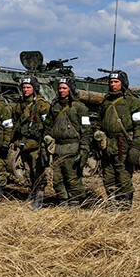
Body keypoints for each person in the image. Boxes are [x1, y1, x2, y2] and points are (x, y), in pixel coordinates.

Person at [95, 70, 140, 211]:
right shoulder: (106, 101)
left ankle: (125, 207)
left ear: (123, 83)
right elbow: (99, 122)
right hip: (108, 144)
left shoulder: (133, 102)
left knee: (123, 176)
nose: (113, 85)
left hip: (123, 144)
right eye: (111, 82)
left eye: (116, 82)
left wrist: (136, 147)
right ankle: (112, 204)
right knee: (108, 177)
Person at [43, 76, 91, 208]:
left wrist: (84, 150)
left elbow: (86, 131)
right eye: (59, 88)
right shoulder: (55, 106)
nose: (61, 91)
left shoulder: (80, 108)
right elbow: (48, 124)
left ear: (71, 89)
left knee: (73, 178)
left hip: (72, 148)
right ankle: (62, 200)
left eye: (64, 88)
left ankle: (75, 201)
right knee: (57, 179)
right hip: (58, 147)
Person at [11, 76, 51, 208]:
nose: (25, 90)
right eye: (23, 87)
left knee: (38, 170)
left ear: (34, 88)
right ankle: (32, 192)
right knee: (28, 171)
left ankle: (39, 195)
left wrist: (45, 143)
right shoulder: (20, 104)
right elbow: (15, 122)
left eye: (28, 87)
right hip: (24, 144)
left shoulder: (41, 105)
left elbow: (48, 125)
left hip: (36, 144)